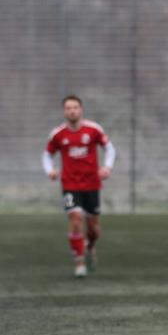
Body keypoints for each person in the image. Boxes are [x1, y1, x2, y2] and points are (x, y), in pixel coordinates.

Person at [42, 95, 115, 278]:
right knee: (75, 220)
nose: (72, 110)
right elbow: (47, 155)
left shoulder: (93, 130)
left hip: (91, 184)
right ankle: (79, 262)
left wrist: (107, 167)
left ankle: (90, 246)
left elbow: (110, 148)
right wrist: (50, 170)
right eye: (68, 108)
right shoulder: (58, 134)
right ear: (64, 111)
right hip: (70, 184)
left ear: (81, 109)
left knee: (93, 228)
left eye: (75, 107)